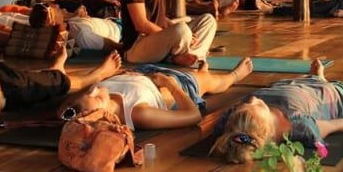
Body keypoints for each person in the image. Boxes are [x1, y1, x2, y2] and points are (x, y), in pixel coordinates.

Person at [212, 59, 343, 163]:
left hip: (294, 86)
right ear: (267, 126)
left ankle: (317, 77)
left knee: (300, 82)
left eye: (246, 103)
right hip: (332, 98)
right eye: (256, 106)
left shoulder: (233, 120)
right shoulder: (299, 126)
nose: (252, 99)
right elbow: (332, 126)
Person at [59, 57, 254, 130]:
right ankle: (235, 75)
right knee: (209, 81)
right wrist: (170, 84)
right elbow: (193, 115)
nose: (93, 90)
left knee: (195, 71)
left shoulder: (87, 103)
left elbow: (63, 111)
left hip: (145, 71)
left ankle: (197, 69)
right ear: (103, 115)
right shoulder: (138, 113)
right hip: (177, 86)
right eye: (95, 97)